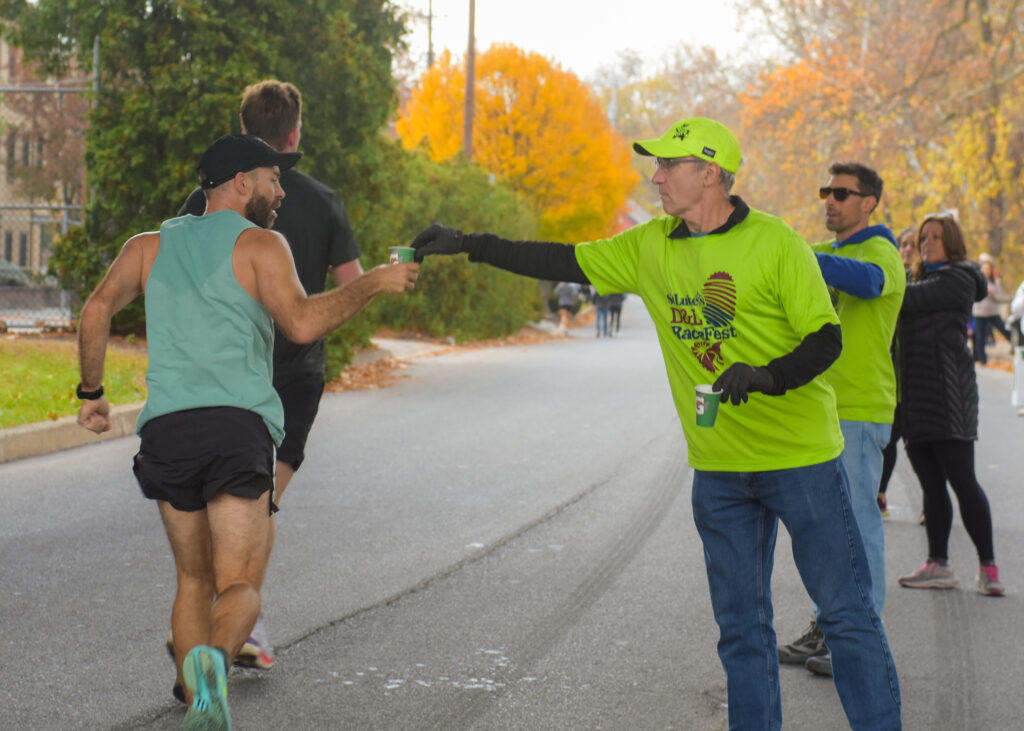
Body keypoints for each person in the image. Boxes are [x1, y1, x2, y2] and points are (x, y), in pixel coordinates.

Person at [410, 117, 901, 730]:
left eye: (670, 166)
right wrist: (467, 241)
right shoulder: (650, 246)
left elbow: (827, 339)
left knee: (846, 616)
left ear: (712, 174)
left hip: (801, 459)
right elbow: (561, 258)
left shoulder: (778, 244)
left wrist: (767, 376)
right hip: (719, 471)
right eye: (656, 165)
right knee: (742, 631)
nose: (656, 176)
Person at [76, 134, 418, 729]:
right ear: (240, 182)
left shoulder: (148, 246)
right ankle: (212, 665)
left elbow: (97, 309)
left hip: (168, 433)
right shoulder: (263, 244)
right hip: (237, 428)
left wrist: (93, 394)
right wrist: (375, 283)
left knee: (192, 578)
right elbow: (303, 323)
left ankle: (196, 699)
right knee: (240, 583)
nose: (280, 191)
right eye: (272, 178)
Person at [178, 80, 363, 668]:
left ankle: (219, 625)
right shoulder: (325, 200)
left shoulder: (201, 203)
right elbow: (347, 283)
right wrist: (378, 283)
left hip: (220, 374)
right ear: (295, 133)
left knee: (225, 511)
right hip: (295, 378)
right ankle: (240, 627)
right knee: (260, 506)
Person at [779, 163, 906, 678]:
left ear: (869, 202)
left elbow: (870, 283)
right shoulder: (829, 253)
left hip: (858, 409)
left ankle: (861, 638)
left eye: (841, 193)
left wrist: (803, 256)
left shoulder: (881, 252)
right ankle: (828, 628)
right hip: (821, 411)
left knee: (857, 527)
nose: (829, 201)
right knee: (827, 530)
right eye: (825, 192)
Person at [895, 214, 1005, 596]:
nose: (926, 243)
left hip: (949, 399)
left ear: (952, 242)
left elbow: (904, 300)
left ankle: (988, 568)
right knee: (931, 485)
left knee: (963, 481)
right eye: (923, 237)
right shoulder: (917, 279)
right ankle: (938, 563)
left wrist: (875, 279)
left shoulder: (957, 280)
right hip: (914, 398)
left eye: (936, 237)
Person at [877, 226, 919, 518]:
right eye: (903, 244)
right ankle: (880, 493)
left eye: (912, 245)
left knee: (919, 447)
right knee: (889, 440)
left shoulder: (925, 282)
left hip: (918, 379)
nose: (907, 249)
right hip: (891, 378)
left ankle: (932, 500)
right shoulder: (894, 278)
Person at [971, 252, 1011, 365]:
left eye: (987, 268)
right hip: (979, 313)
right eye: (983, 267)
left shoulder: (995, 280)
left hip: (992, 312)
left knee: (1004, 329)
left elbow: (999, 297)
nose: (985, 270)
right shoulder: (976, 279)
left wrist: (992, 292)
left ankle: (1017, 345)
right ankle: (983, 360)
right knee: (979, 337)